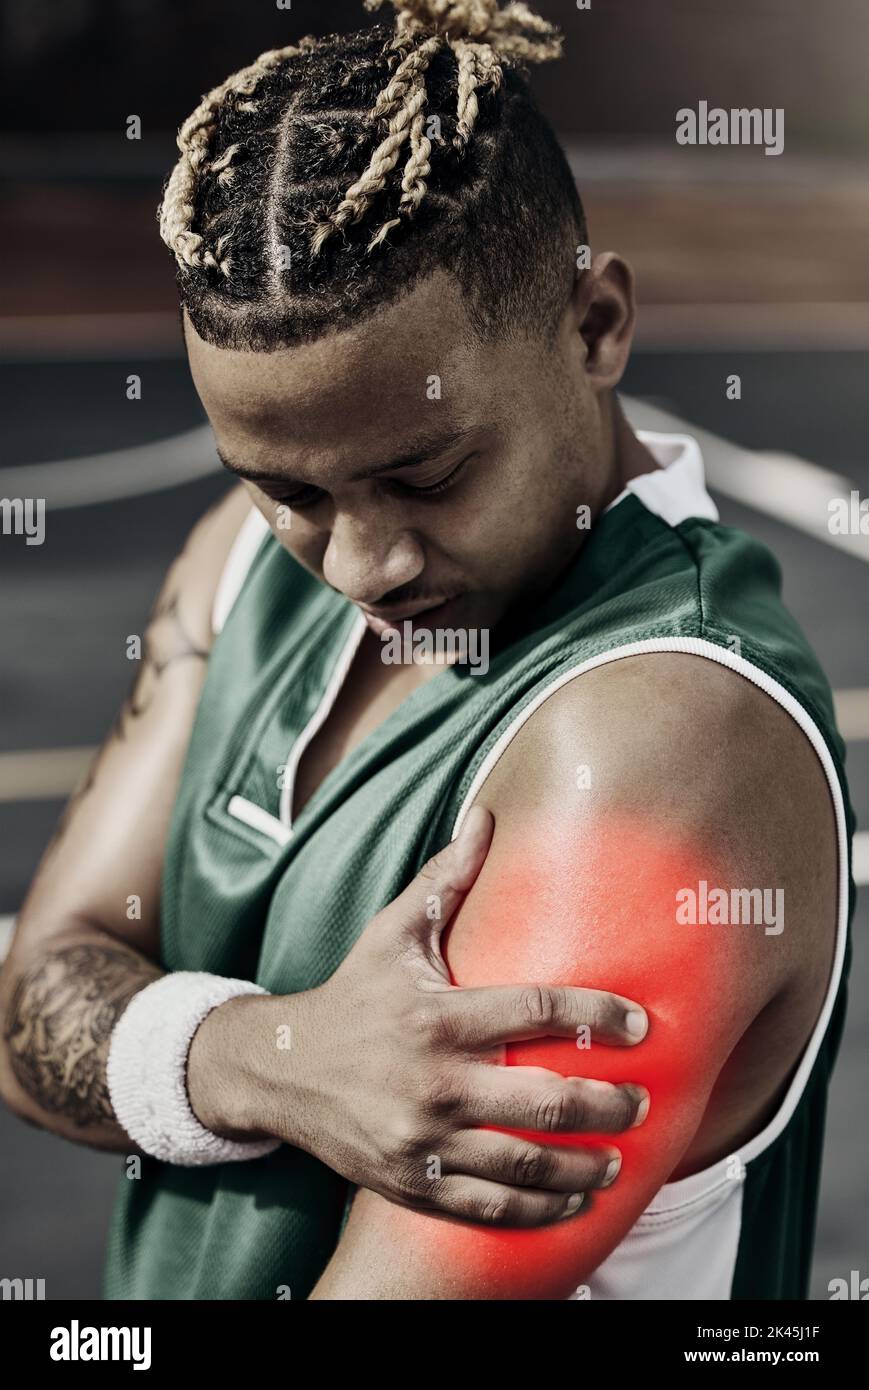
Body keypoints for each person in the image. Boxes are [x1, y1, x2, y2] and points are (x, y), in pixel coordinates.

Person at [0, 0, 854, 1300]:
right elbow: (31, 1011)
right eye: (291, 490)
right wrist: (266, 1051)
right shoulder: (237, 559)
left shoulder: (655, 743)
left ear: (595, 326)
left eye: (428, 475)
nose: (360, 564)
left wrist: (184, 1050)